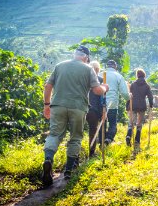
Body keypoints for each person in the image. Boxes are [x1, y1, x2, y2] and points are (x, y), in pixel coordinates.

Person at [42, 45, 109, 186]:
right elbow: (97, 90)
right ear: (86, 58)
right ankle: (68, 171)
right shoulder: (88, 69)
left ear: (75, 54)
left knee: (54, 135)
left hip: (58, 106)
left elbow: (48, 86)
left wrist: (46, 105)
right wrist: (105, 87)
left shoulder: (60, 66)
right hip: (78, 108)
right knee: (75, 138)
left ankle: (48, 159)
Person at [125, 68, 153, 152]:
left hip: (133, 105)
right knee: (139, 124)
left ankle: (128, 136)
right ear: (144, 75)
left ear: (137, 75)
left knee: (131, 123)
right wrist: (151, 104)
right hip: (142, 106)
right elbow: (150, 96)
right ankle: (137, 141)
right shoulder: (147, 85)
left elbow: (129, 96)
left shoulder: (133, 84)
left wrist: (127, 106)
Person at [103, 60, 130, 145]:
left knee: (101, 123)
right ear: (115, 66)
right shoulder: (118, 76)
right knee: (112, 123)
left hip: (100, 103)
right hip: (112, 104)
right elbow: (125, 93)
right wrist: (128, 99)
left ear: (107, 66)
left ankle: (101, 140)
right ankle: (109, 138)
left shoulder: (101, 74)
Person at [86, 61, 105, 157]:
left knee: (77, 132)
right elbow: (102, 98)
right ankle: (91, 153)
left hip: (82, 108)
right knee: (93, 131)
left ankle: (75, 157)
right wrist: (103, 112)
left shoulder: (84, 78)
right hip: (94, 109)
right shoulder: (100, 80)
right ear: (98, 70)